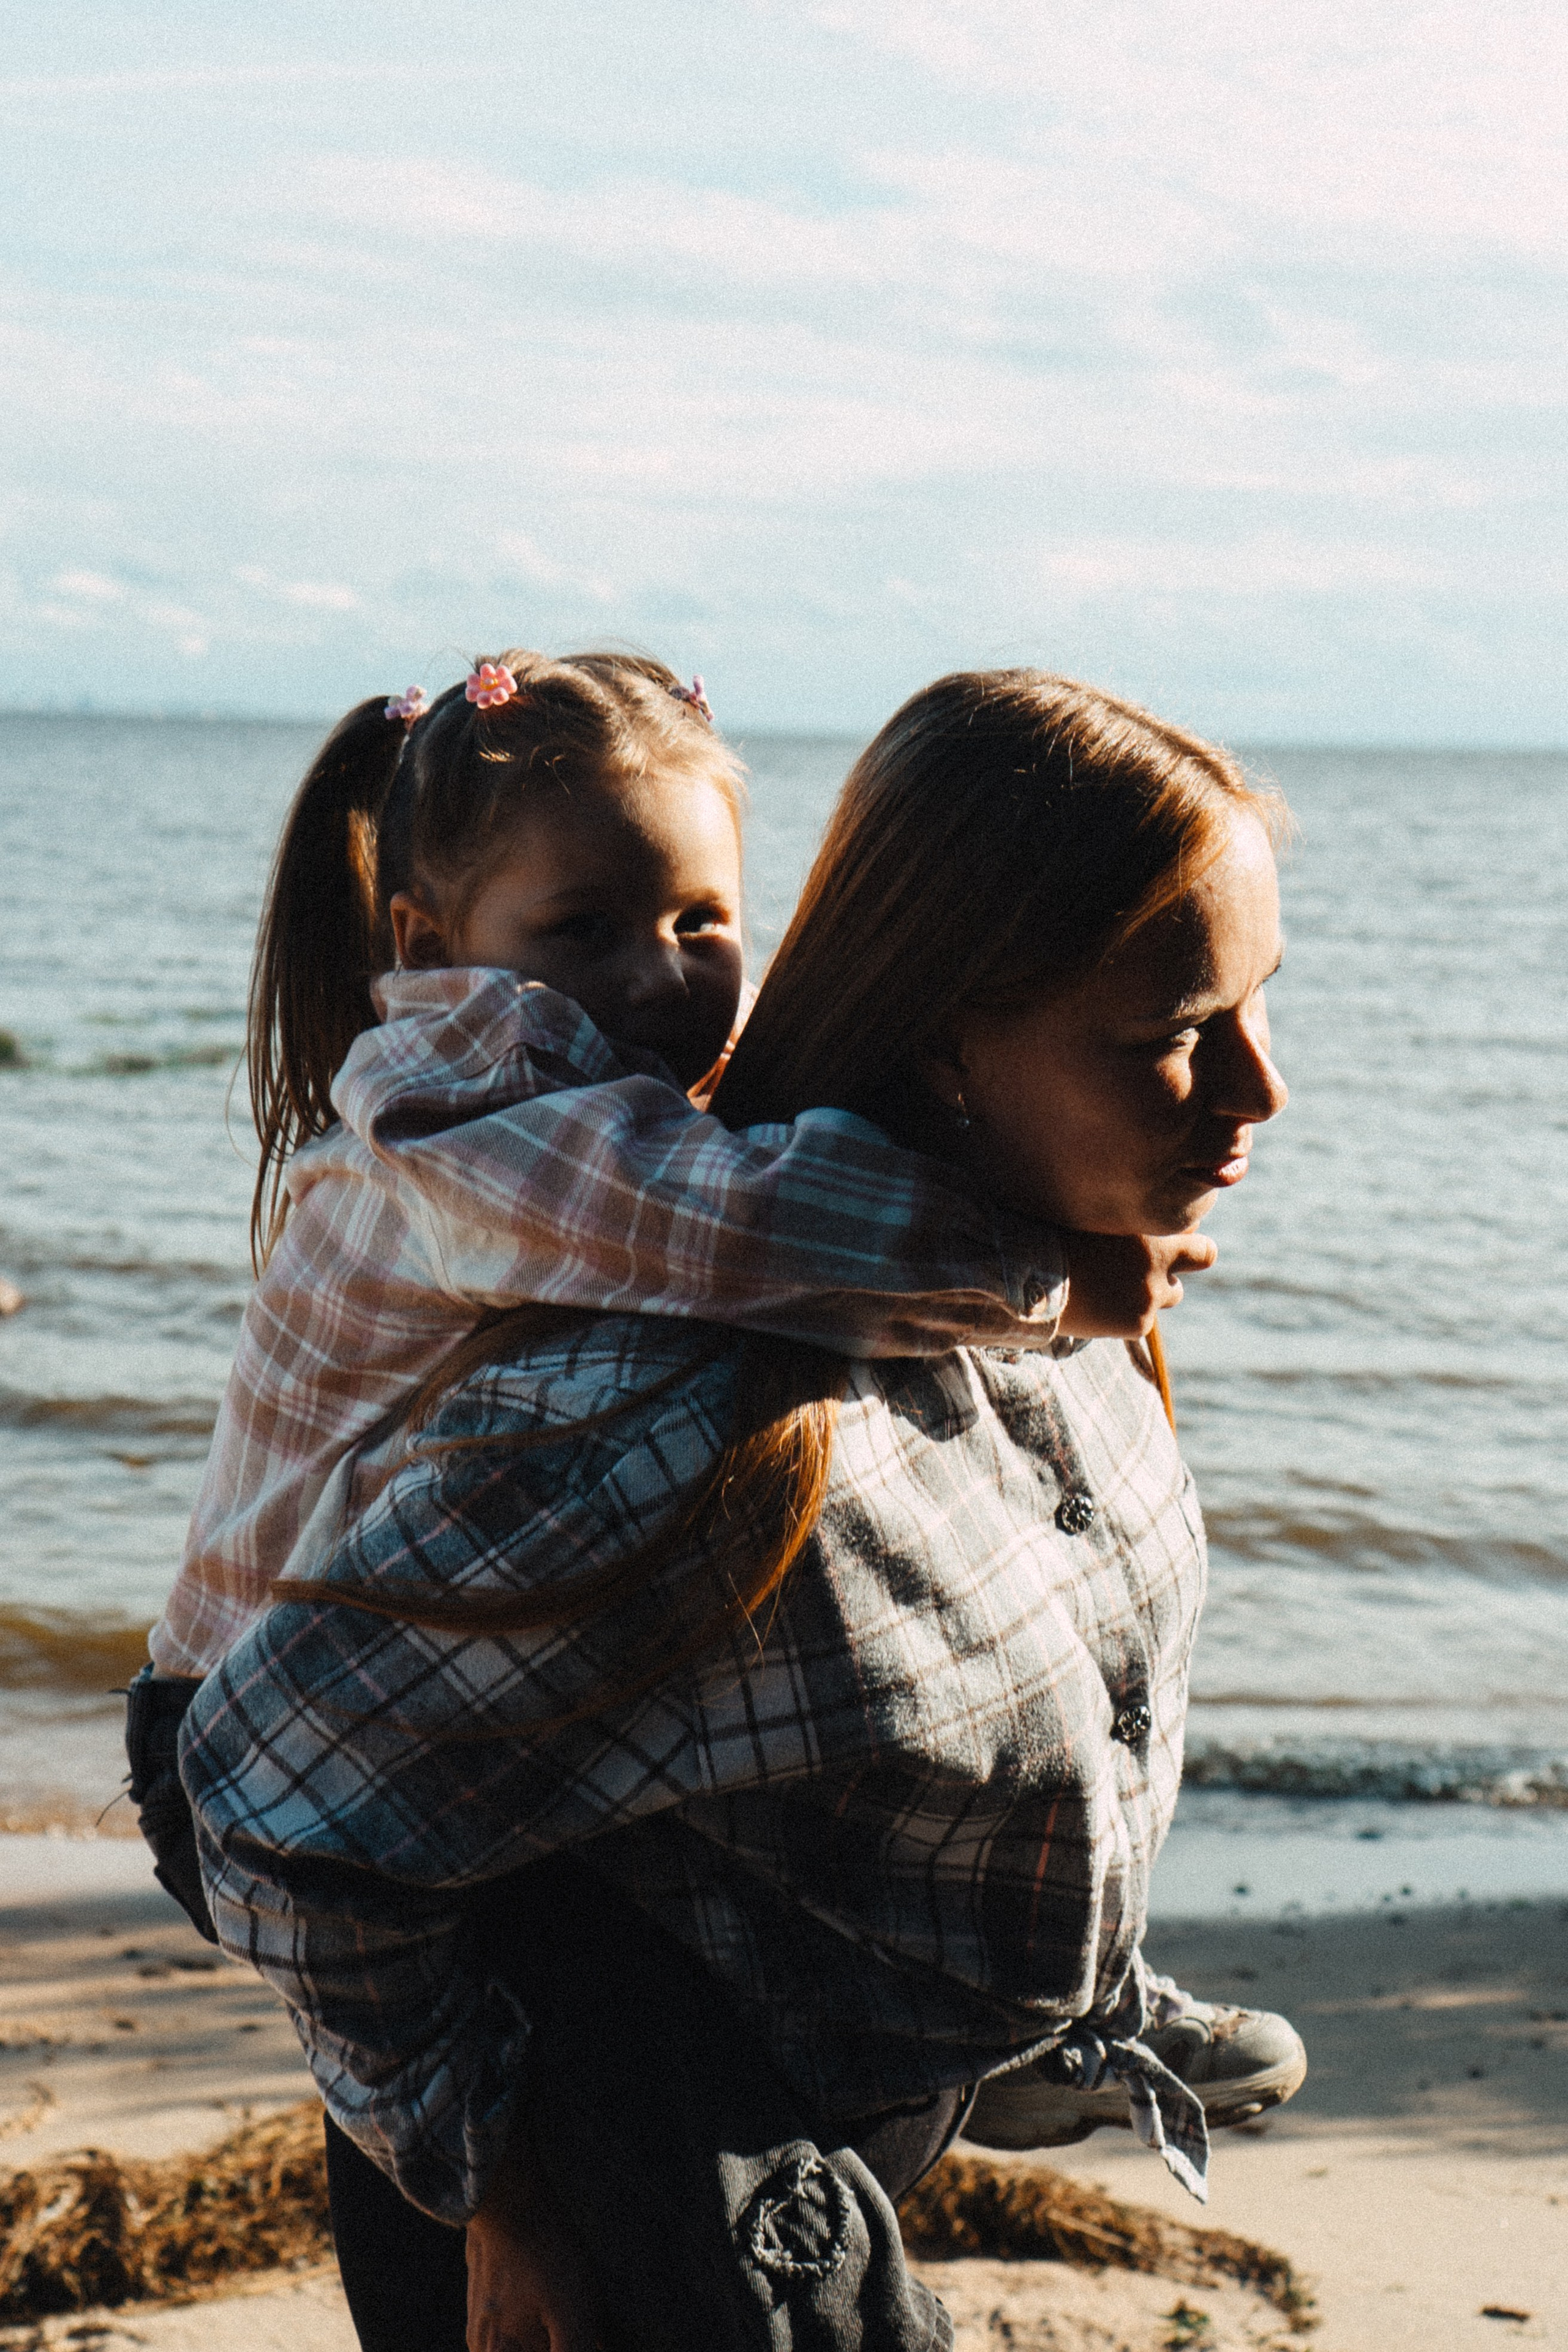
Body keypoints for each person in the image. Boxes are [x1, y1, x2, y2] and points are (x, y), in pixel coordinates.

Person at [181, 668, 1298, 2351]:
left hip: (742, 2116)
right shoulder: (599, 1300)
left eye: (705, 916)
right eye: (1172, 1036)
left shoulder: (1019, 1287)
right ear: (950, 1035)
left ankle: (1059, 2025)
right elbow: (274, 1809)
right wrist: (494, 2185)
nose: (1259, 1093)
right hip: (580, 2162)